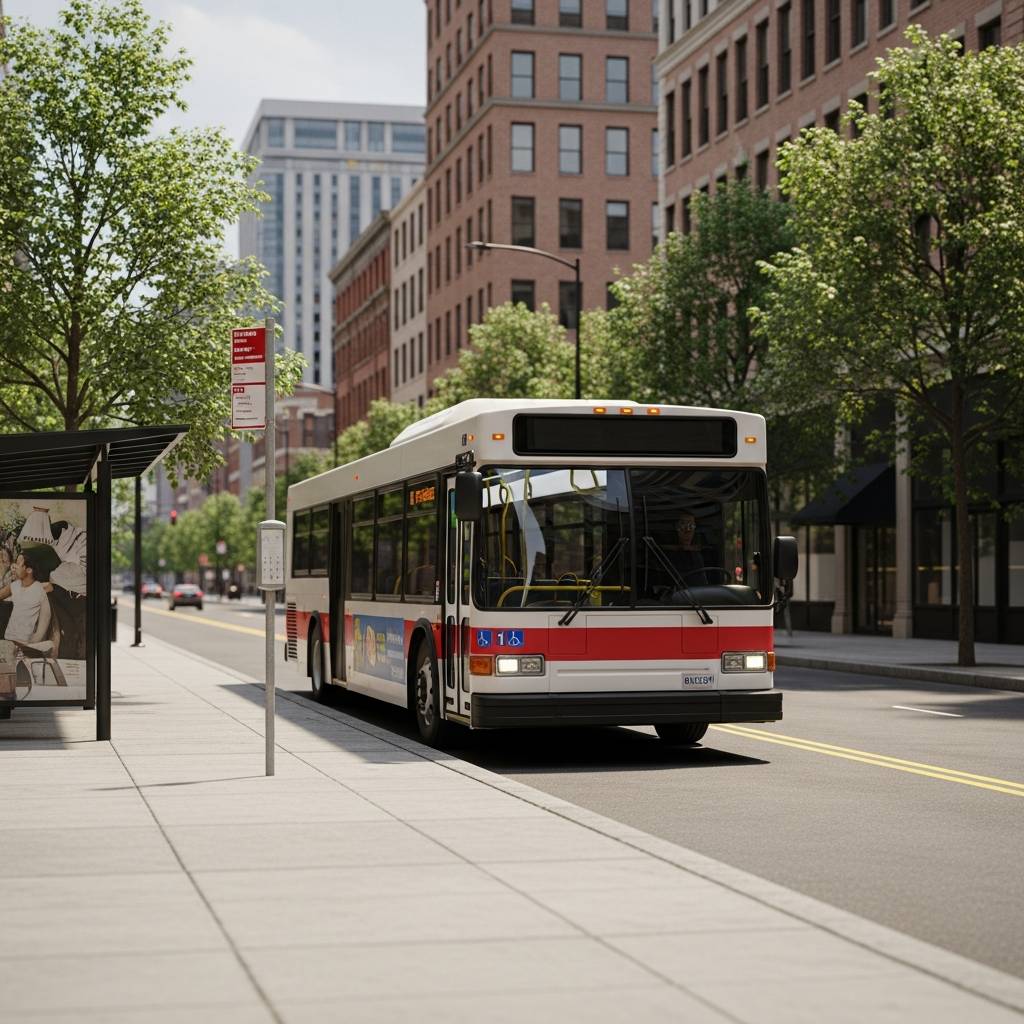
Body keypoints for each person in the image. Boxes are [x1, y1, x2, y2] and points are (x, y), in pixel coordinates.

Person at [0, 551, 54, 645]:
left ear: (29, 570)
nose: (14, 566)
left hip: (26, 643)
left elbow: (46, 617)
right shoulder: (14, 586)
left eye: (18, 564)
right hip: (8, 639)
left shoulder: (39, 590)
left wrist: (35, 639)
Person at [674, 512, 707, 585]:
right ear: (676, 528)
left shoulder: (698, 555)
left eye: (691, 526)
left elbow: (703, 584)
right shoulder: (663, 556)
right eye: (682, 525)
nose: (687, 531)